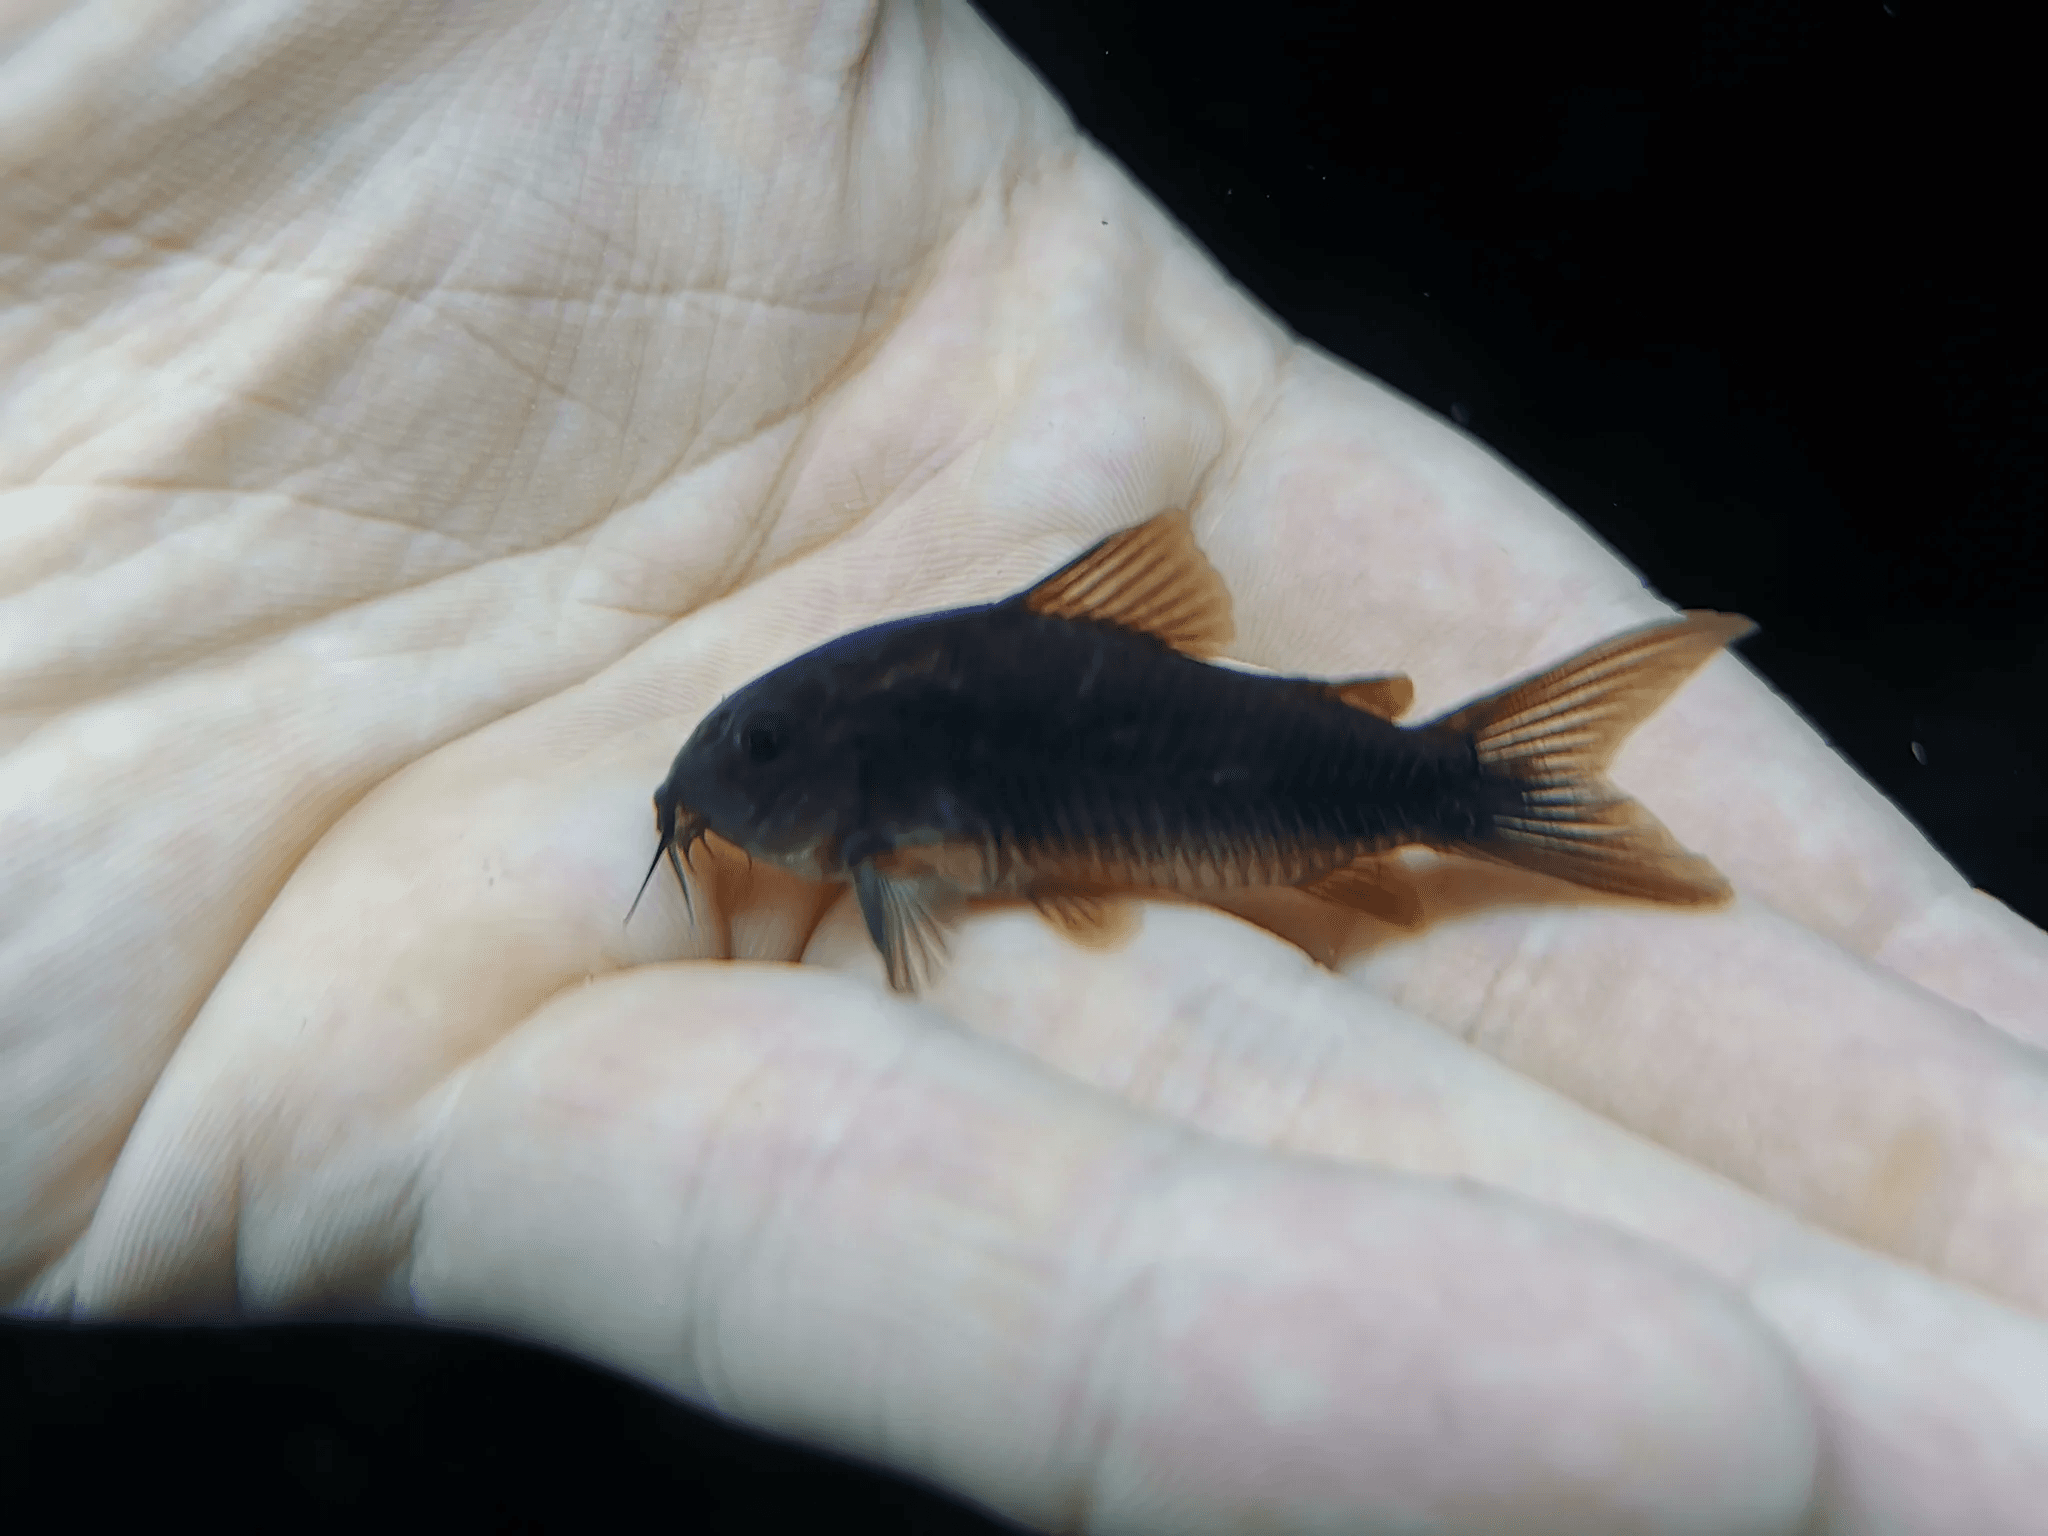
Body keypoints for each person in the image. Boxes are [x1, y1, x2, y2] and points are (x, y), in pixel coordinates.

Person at [5, 2, 2045, 1530]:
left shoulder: (885, 796)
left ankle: (1505, 793)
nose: (722, 787)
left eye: (754, 760)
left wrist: (1405, 793)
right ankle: (1501, 793)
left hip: (1326, 722)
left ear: (850, 798)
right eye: (747, 760)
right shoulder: (860, 773)